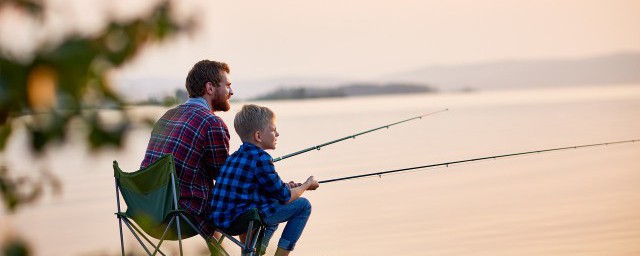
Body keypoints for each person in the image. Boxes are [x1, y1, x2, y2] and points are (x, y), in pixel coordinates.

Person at [140, 59, 234, 238]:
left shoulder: (167, 116)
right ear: (210, 88)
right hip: (180, 217)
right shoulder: (212, 122)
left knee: (214, 197)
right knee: (250, 203)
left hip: (148, 212)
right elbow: (225, 179)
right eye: (227, 85)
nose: (231, 91)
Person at [210, 104, 319, 256]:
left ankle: (257, 250)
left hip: (220, 220)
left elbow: (263, 187)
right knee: (303, 206)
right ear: (259, 136)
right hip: (242, 221)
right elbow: (285, 197)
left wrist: (287, 186)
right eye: (273, 130)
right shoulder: (262, 158)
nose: (278, 134)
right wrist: (307, 185)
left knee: (272, 201)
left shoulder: (233, 157)